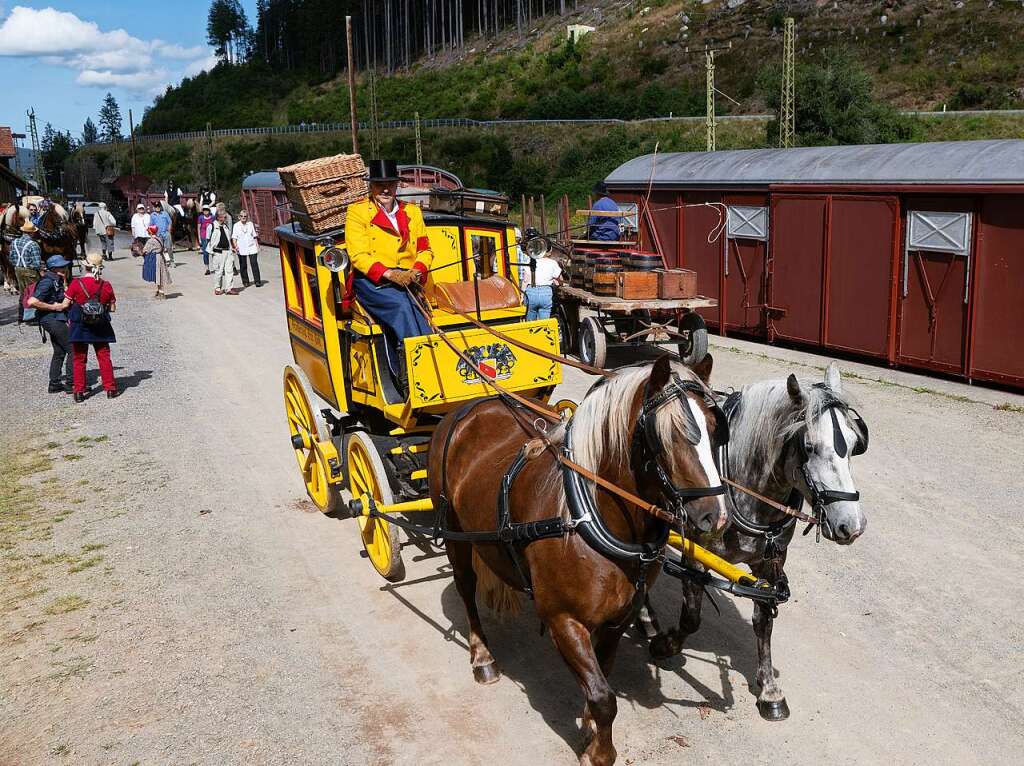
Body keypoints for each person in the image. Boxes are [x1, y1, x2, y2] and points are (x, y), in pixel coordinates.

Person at [344, 159, 433, 396]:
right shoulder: (357, 212)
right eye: (379, 185)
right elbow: (358, 255)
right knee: (402, 308)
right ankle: (411, 378)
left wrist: (416, 270)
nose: (385, 190)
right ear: (371, 187)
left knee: (424, 317)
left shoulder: (412, 212)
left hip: (408, 279)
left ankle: (433, 366)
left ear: (396, 186)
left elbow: (426, 249)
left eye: (390, 185)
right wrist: (391, 274)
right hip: (373, 281)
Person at [65, 253, 119, 401]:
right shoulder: (106, 285)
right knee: (104, 356)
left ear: (85, 266)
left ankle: (79, 391)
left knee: (79, 358)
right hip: (100, 324)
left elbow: (65, 304)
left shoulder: (76, 284)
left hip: (79, 324)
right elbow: (113, 308)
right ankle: (110, 388)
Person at [27, 255, 73, 393]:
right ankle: (73, 383)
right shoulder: (47, 281)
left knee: (59, 351)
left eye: (65, 266)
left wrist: (64, 282)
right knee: (73, 348)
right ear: (53, 268)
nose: (65, 268)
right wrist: (55, 307)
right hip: (51, 319)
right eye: (61, 266)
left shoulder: (57, 279)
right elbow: (32, 302)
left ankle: (54, 383)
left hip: (54, 319)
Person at [10, 221, 43, 324]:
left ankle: (21, 316)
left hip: (18, 270)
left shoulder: (14, 242)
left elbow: (11, 258)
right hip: (30, 271)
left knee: (23, 293)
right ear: (31, 233)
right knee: (33, 293)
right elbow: (37, 264)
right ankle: (31, 318)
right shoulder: (33, 244)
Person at [523, 250, 562, 321]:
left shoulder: (530, 261)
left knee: (530, 323)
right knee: (544, 322)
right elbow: (559, 278)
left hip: (531, 292)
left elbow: (525, 280)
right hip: (546, 292)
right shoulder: (552, 263)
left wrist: (521, 296)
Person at [139, 224, 173, 299]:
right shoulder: (159, 238)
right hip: (161, 257)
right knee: (160, 274)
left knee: (157, 274)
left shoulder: (150, 241)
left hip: (154, 258)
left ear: (150, 232)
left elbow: (145, 250)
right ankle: (159, 290)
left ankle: (161, 292)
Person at [208, 210, 237, 296]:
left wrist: (232, 248)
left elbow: (229, 239)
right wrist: (211, 251)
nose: (225, 218)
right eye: (224, 217)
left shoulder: (225, 227)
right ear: (219, 217)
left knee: (229, 270)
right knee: (219, 271)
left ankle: (229, 288)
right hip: (218, 252)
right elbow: (208, 239)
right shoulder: (211, 226)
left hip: (228, 251)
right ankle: (217, 288)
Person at [231, 209, 261, 287]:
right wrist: (235, 246)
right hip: (241, 247)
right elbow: (234, 237)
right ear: (239, 217)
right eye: (241, 216)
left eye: (245, 216)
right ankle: (245, 281)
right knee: (243, 265)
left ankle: (257, 281)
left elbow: (254, 236)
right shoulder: (236, 225)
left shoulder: (250, 224)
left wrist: (257, 246)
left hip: (251, 246)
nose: (243, 217)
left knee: (254, 263)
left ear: (247, 217)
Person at [150, 202, 173, 266]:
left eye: (159, 206)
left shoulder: (165, 214)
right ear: (154, 207)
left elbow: (170, 223)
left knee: (169, 248)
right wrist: (152, 234)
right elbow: (151, 225)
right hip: (158, 234)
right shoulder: (152, 215)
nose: (157, 208)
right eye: (156, 206)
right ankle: (164, 262)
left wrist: (169, 231)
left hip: (166, 233)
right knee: (160, 249)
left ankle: (172, 261)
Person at [197, 205, 214, 275]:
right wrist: (199, 237)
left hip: (212, 237)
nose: (205, 211)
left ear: (209, 210)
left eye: (207, 210)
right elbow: (199, 228)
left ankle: (216, 267)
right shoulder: (201, 218)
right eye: (204, 210)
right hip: (204, 236)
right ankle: (207, 268)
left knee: (214, 252)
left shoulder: (213, 217)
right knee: (205, 253)